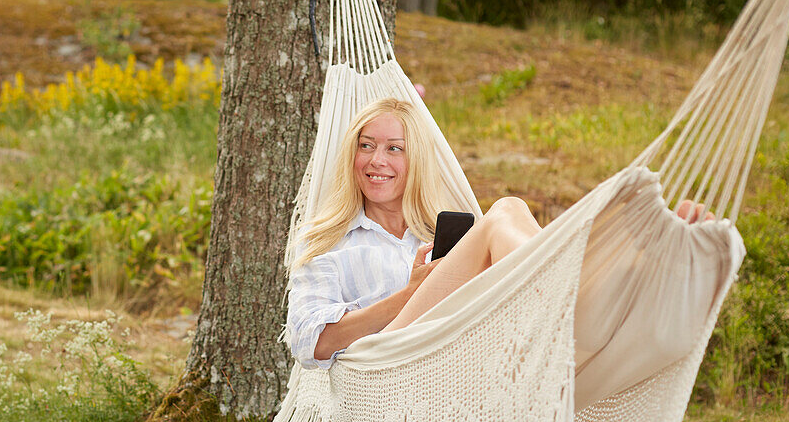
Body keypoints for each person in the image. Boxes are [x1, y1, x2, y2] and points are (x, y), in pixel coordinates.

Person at [286, 97, 712, 370]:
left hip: (467, 354)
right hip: (392, 363)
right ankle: (590, 273)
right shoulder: (328, 239)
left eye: (394, 148)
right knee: (506, 212)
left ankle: (631, 277)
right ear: (352, 154)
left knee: (505, 222)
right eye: (366, 145)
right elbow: (313, 342)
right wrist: (408, 295)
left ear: (414, 159)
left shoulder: (437, 230)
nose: (377, 159)